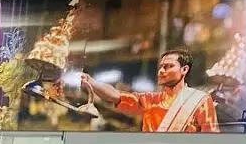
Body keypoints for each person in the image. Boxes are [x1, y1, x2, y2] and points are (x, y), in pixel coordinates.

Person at [81, 49, 219, 132]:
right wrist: (92, 82)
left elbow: (211, 138)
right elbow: (115, 95)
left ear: (184, 69)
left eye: (168, 66)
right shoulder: (149, 100)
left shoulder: (200, 100)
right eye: (161, 67)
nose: (161, 71)